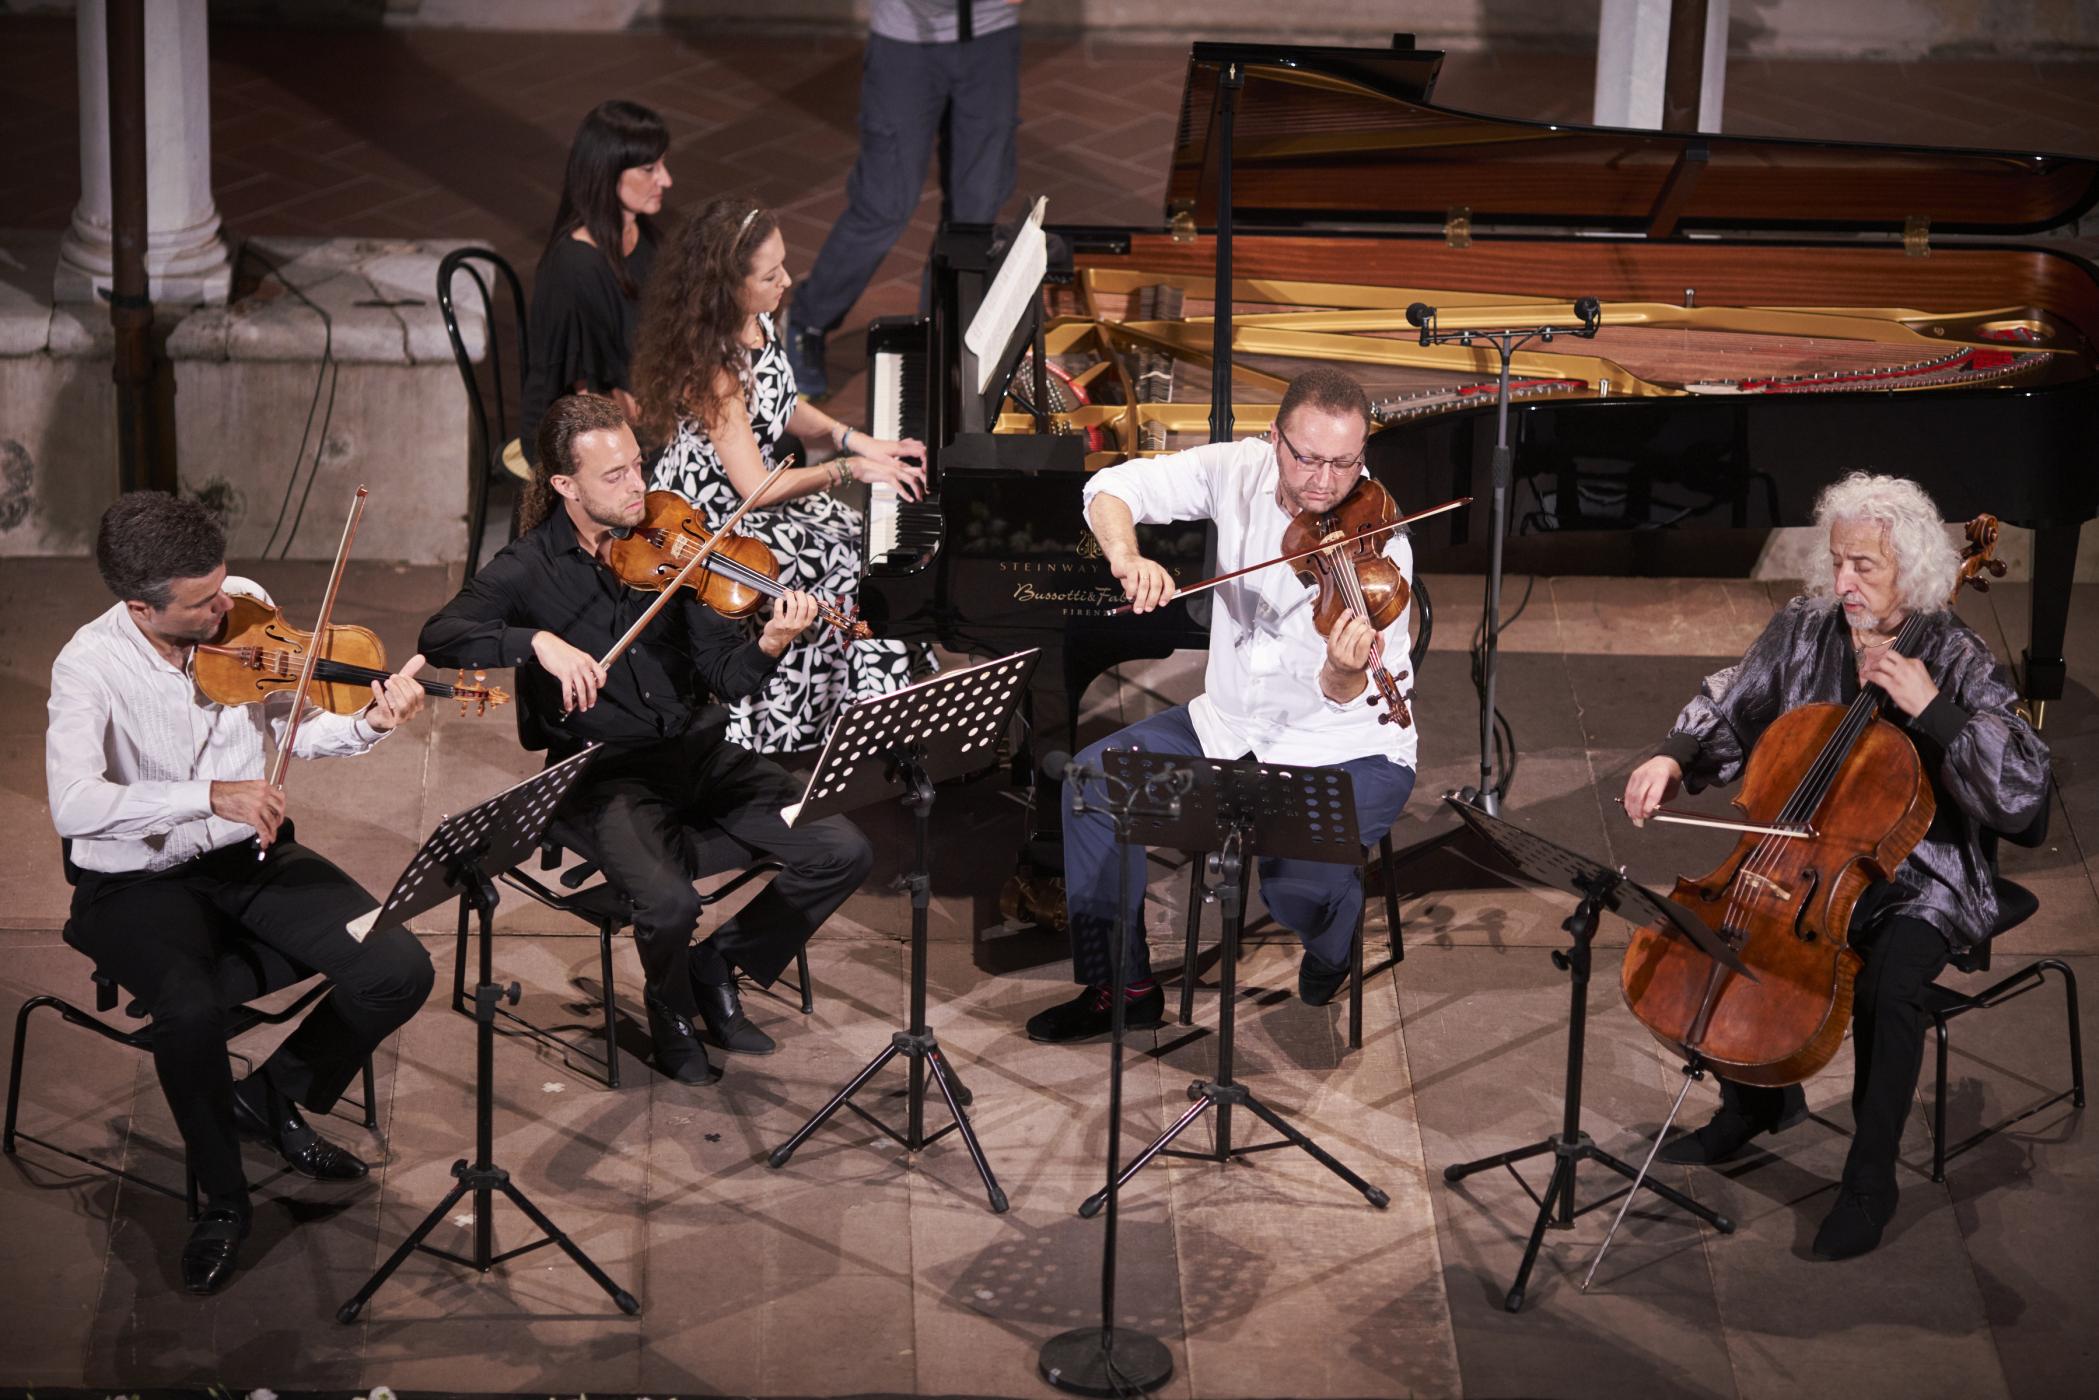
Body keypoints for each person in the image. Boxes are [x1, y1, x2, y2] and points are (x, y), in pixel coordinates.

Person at [1622, 471, 2050, 1260]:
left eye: (1864, 566)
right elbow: (1732, 700)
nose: (1843, 581)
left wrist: (1933, 710)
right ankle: (1754, 1103)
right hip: (1798, 856)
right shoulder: (1805, 627)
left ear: (1908, 571)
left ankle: (1867, 1182)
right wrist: (1671, 756)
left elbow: (2023, 794)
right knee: (1729, 935)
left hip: (1921, 874)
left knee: (1888, 988)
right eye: (1836, 561)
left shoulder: (1954, 655)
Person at [418, 393, 874, 1087]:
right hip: (606, 775)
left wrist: (772, 642)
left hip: (700, 754)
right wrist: (535, 642)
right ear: (565, 485)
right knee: (669, 903)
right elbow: (439, 636)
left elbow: (726, 679)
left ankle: (717, 964)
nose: (638, 487)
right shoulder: (529, 567)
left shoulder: (680, 545)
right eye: (615, 476)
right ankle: (671, 1008)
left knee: (842, 849)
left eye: (638, 466)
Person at [45, 492, 436, 1296]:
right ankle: (223, 1201)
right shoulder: (87, 665)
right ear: (141, 607)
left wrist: (369, 723)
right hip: (135, 879)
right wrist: (207, 795)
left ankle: (269, 1094)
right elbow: (74, 805)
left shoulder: (245, 607)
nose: (224, 608)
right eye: (201, 603)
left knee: (397, 965)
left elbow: (295, 729)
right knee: (188, 1012)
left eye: (222, 587)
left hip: (248, 856)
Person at [1023, 367, 1420, 1044]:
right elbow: (1110, 488)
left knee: (1296, 891)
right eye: (1308, 459)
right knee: (1091, 782)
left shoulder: (1383, 556)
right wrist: (1127, 557)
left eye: (1344, 463)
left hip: (1349, 750)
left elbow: (1342, 697)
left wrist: (1341, 669)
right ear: (1274, 439)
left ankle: (1334, 942)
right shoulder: (1235, 469)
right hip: (1226, 727)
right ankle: (1124, 988)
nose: (1324, 483)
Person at [631, 196, 932, 754]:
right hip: (713, 518)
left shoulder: (757, 317)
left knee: (865, 539)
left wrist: (852, 437)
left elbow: (780, 403)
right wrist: (848, 468)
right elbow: (753, 489)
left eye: (783, 266)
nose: (787, 281)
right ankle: (829, 723)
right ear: (729, 288)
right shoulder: (714, 368)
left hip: (764, 488)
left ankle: (873, 702)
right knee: (842, 563)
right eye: (770, 276)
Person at [784, 0, 1025, 400]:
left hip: (991, 38)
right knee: (884, 205)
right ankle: (807, 321)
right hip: (906, 44)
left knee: (976, 212)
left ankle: (937, 333)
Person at [517, 99, 673, 466]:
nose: (666, 180)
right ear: (607, 173)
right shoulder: (575, 268)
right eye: (649, 169)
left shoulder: (643, 235)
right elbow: (591, 402)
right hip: (578, 434)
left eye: (663, 164)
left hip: (641, 408)